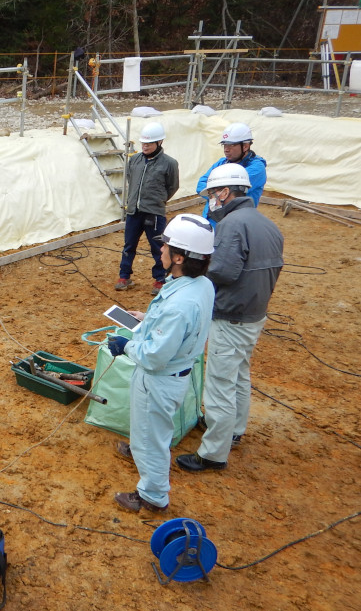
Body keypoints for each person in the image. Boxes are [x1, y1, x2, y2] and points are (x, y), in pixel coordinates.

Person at [176, 164, 283, 473]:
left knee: (220, 383)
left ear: (225, 192)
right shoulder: (267, 224)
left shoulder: (232, 225)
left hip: (231, 315)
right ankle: (234, 429)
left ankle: (213, 453)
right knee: (239, 374)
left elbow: (222, 271)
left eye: (212, 193)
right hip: (254, 314)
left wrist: (195, 271)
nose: (211, 200)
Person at [107, 214, 216, 513]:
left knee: (151, 439)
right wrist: (148, 319)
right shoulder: (200, 285)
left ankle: (153, 497)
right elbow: (178, 327)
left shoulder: (181, 305)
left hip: (158, 379)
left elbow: (154, 357)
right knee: (151, 431)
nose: (161, 249)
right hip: (174, 374)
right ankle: (140, 453)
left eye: (166, 245)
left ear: (179, 257)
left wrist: (126, 345)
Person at [115, 122, 180, 295]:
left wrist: (158, 200)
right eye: (143, 143)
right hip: (134, 212)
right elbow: (131, 179)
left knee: (158, 247)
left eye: (149, 143)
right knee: (129, 245)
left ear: (160, 142)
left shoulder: (169, 163)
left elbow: (173, 186)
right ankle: (124, 276)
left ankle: (160, 279)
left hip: (154, 213)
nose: (145, 146)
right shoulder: (134, 160)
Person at [196, 123, 266, 226]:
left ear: (245, 146)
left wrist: (212, 193)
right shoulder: (222, 162)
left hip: (235, 224)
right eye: (224, 145)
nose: (226, 149)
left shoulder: (256, 168)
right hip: (211, 221)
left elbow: (232, 190)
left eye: (231, 145)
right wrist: (218, 193)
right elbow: (200, 185)